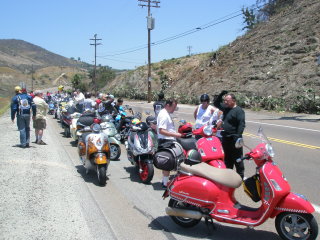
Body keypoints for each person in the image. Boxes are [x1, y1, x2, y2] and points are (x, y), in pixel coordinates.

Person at [214, 90, 246, 179]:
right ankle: (229, 177)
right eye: (225, 100)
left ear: (233, 101)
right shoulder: (226, 108)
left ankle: (240, 177)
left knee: (238, 159)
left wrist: (238, 137)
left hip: (235, 139)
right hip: (226, 138)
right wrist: (221, 94)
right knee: (227, 159)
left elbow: (241, 124)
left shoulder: (239, 111)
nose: (225, 102)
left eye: (227, 100)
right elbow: (216, 103)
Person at [157, 99, 184, 188]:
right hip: (166, 141)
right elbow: (161, 130)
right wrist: (176, 135)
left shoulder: (165, 113)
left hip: (167, 140)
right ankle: (165, 183)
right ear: (168, 105)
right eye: (173, 107)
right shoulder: (164, 115)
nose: (174, 109)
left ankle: (164, 181)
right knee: (167, 162)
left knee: (167, 162)